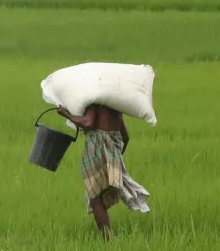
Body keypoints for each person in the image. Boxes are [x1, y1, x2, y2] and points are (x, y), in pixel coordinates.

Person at [57, 103, 150, 241]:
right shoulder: (115, 105)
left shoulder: (95, 102)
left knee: (95, 197)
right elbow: (125, 137)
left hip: (97, 147)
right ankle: (108, 238)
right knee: (100, 194)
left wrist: (67, 115)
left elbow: (88, 123)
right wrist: (114, 157)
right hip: (113, 148)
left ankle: (108, 239)